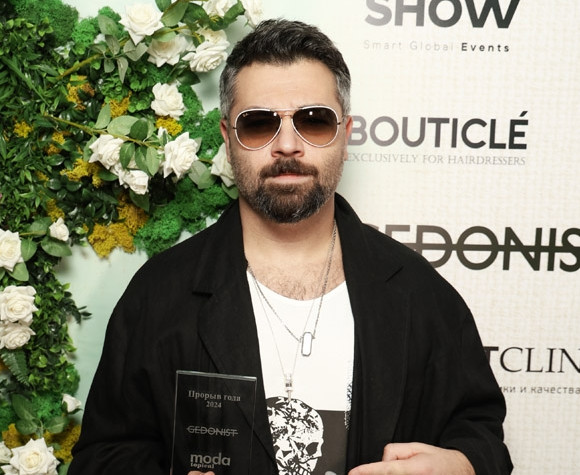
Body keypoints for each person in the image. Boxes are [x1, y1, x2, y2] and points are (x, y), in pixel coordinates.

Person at [69, 19, 512, 475]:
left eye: (313, 121)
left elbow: (481, 437)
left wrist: (462, 466)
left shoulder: (418, 293)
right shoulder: (160, 295)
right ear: (227, 138)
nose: (286, 145)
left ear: (345, 134)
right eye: (258, 124)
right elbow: (103, 457)